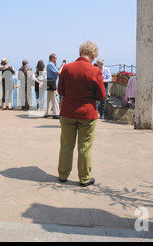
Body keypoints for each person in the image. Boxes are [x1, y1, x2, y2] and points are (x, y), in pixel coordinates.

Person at [57, 41, 106, 187]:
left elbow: (61, 92)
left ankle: (63, 174)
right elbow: (101, 96)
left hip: (67, 112)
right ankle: (84, 178)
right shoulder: (95, 71)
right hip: (87, 114)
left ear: (80, 53)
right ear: (92, 55)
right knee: (85, 147)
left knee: (66, 145)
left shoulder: (67, 69)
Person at [44, 53, 65, 119]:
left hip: (49, 83)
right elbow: (59, 73)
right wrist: (62, 66)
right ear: (52, 58)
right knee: (55, 98)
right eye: (55, 58)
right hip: (52, 83)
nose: (56, 59)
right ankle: (56, 113)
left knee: (49, 99)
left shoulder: (49, 64)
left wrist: (61, 66)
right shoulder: (51, 64)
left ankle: (47, 113)